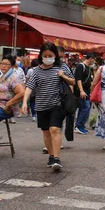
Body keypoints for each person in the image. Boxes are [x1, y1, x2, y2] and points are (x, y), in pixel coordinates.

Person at [21, 42, 75, 172]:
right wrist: (24, 102)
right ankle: (51, 155)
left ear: (55, 55)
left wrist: (62, 76)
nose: (48, 57)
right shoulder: (36, 71)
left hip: (57, 104)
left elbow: (72, 81)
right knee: (46, 131)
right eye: (45, 55)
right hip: (41, 105)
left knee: (54, 129)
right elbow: (29, 87)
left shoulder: (62, 67)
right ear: (41, 56)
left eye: (50, 55)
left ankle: (56, 158)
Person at [74, 52, 96, 135]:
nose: (93, 62)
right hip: (82, 91)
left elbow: (90, 80)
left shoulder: (89, 68)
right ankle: (79, 126)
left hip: (87, 91)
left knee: (83, 108)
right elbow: (78, 79)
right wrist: (81, 90)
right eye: (93, 60)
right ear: (90, 58)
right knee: (86, 107)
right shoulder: (81, 66)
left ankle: (80, 126)